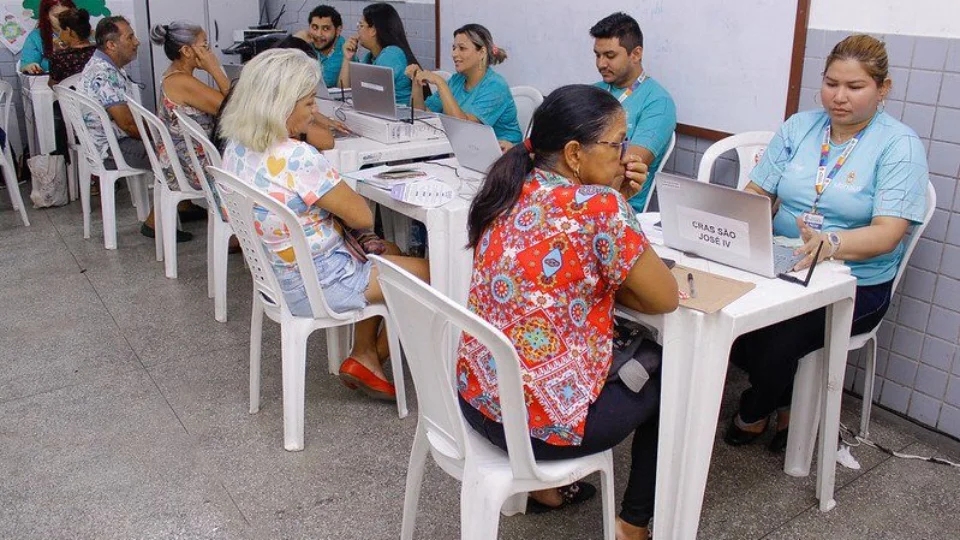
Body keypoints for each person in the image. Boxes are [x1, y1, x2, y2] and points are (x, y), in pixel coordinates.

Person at [457, 85, 679, 540]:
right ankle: (633, 524)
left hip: (477, 401)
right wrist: (619, 204)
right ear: (576, 153)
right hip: (538, 430)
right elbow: (665, 298)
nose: (624, 155)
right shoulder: (600, 207)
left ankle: (545, 491)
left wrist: (610, 189)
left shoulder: (510, 183)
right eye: (617, 144)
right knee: (673, 375)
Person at [724, 35, 929, 453]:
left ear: (883, 88)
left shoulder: (899, 145)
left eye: (855, 87)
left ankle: (754, 409)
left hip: (856, 283)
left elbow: (889, 233)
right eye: (831, 83)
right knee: (727, 319)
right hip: (782, 263)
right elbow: (756, 193)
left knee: (774, 342)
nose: (839, 97)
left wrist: (830, 243)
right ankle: (786, 403)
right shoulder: (800, 127)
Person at [219, 48, 431, 399]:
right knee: (436, 275)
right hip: (321, 283)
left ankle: (364, 356)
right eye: (308, 103)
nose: (315, 110)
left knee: (388, 249)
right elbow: (361, 215)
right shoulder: (296, 157)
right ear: (280, 107)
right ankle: (391, 360)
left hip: (277, 277)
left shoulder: (236, 147)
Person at [80, 16, 191, 242]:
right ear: (111, 45)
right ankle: (154, 222)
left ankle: (184, 205)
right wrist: (165, 135)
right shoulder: (104, 73)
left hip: (110, 142)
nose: (137, 41)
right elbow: (129, 125)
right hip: (114, 149)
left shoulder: (104, 66)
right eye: (129, 37)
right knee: (176, 153)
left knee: (173, 145)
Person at [590, 13, 676, 213]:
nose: (601, 64)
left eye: (610, 56)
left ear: (636, 54)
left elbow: (623, 170)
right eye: (597, 55)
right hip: (577, 193)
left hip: (619, 206)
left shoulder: (658, 103)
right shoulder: (592, 92)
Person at [406, 24, 521, 146]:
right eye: (454, 48)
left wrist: (440, 83)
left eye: (462, 48)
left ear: (482, 52)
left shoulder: (496, 86)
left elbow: (464, 130)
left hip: (503, 155)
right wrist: (416, 81)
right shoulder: (457, 80)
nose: (454, 54)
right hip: (467, 149)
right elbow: (421, 114)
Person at [149, 21, 230, 192]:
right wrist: (214, 68)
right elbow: (233, 109)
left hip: (179, 161)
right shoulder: (181, 82)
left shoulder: (173, 76)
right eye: (205, 46)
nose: (209, 53)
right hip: (190, 168)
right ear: (186, 51)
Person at [338, 2, 423, 105]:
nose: (358, 31)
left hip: (401, 117)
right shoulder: (370, 57)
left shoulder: (391, 55)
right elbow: (343, 93)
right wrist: (347, 58)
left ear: (373, 30)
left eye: (361, 25)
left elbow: (367, 98)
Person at [293, 4, 346, 89]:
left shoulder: (345, 53)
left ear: (338, 30)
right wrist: (294, 41)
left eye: (325, 29)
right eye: (314, 27)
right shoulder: (306, 44)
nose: (318, 34)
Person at [21, 0, 75, 74]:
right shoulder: (36, 37)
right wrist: (31, 67)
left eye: (67, 15)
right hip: (46, 83)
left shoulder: (83, 32)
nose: (63, 20)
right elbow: (26, 64)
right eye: (57, 16)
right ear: (46, 16)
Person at [48, 7, 95, 85]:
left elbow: (53, 85)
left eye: (61, 29)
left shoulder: (59, 57)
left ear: (68, 30)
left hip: (68, 96)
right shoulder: (99, 52)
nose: (60, 34)